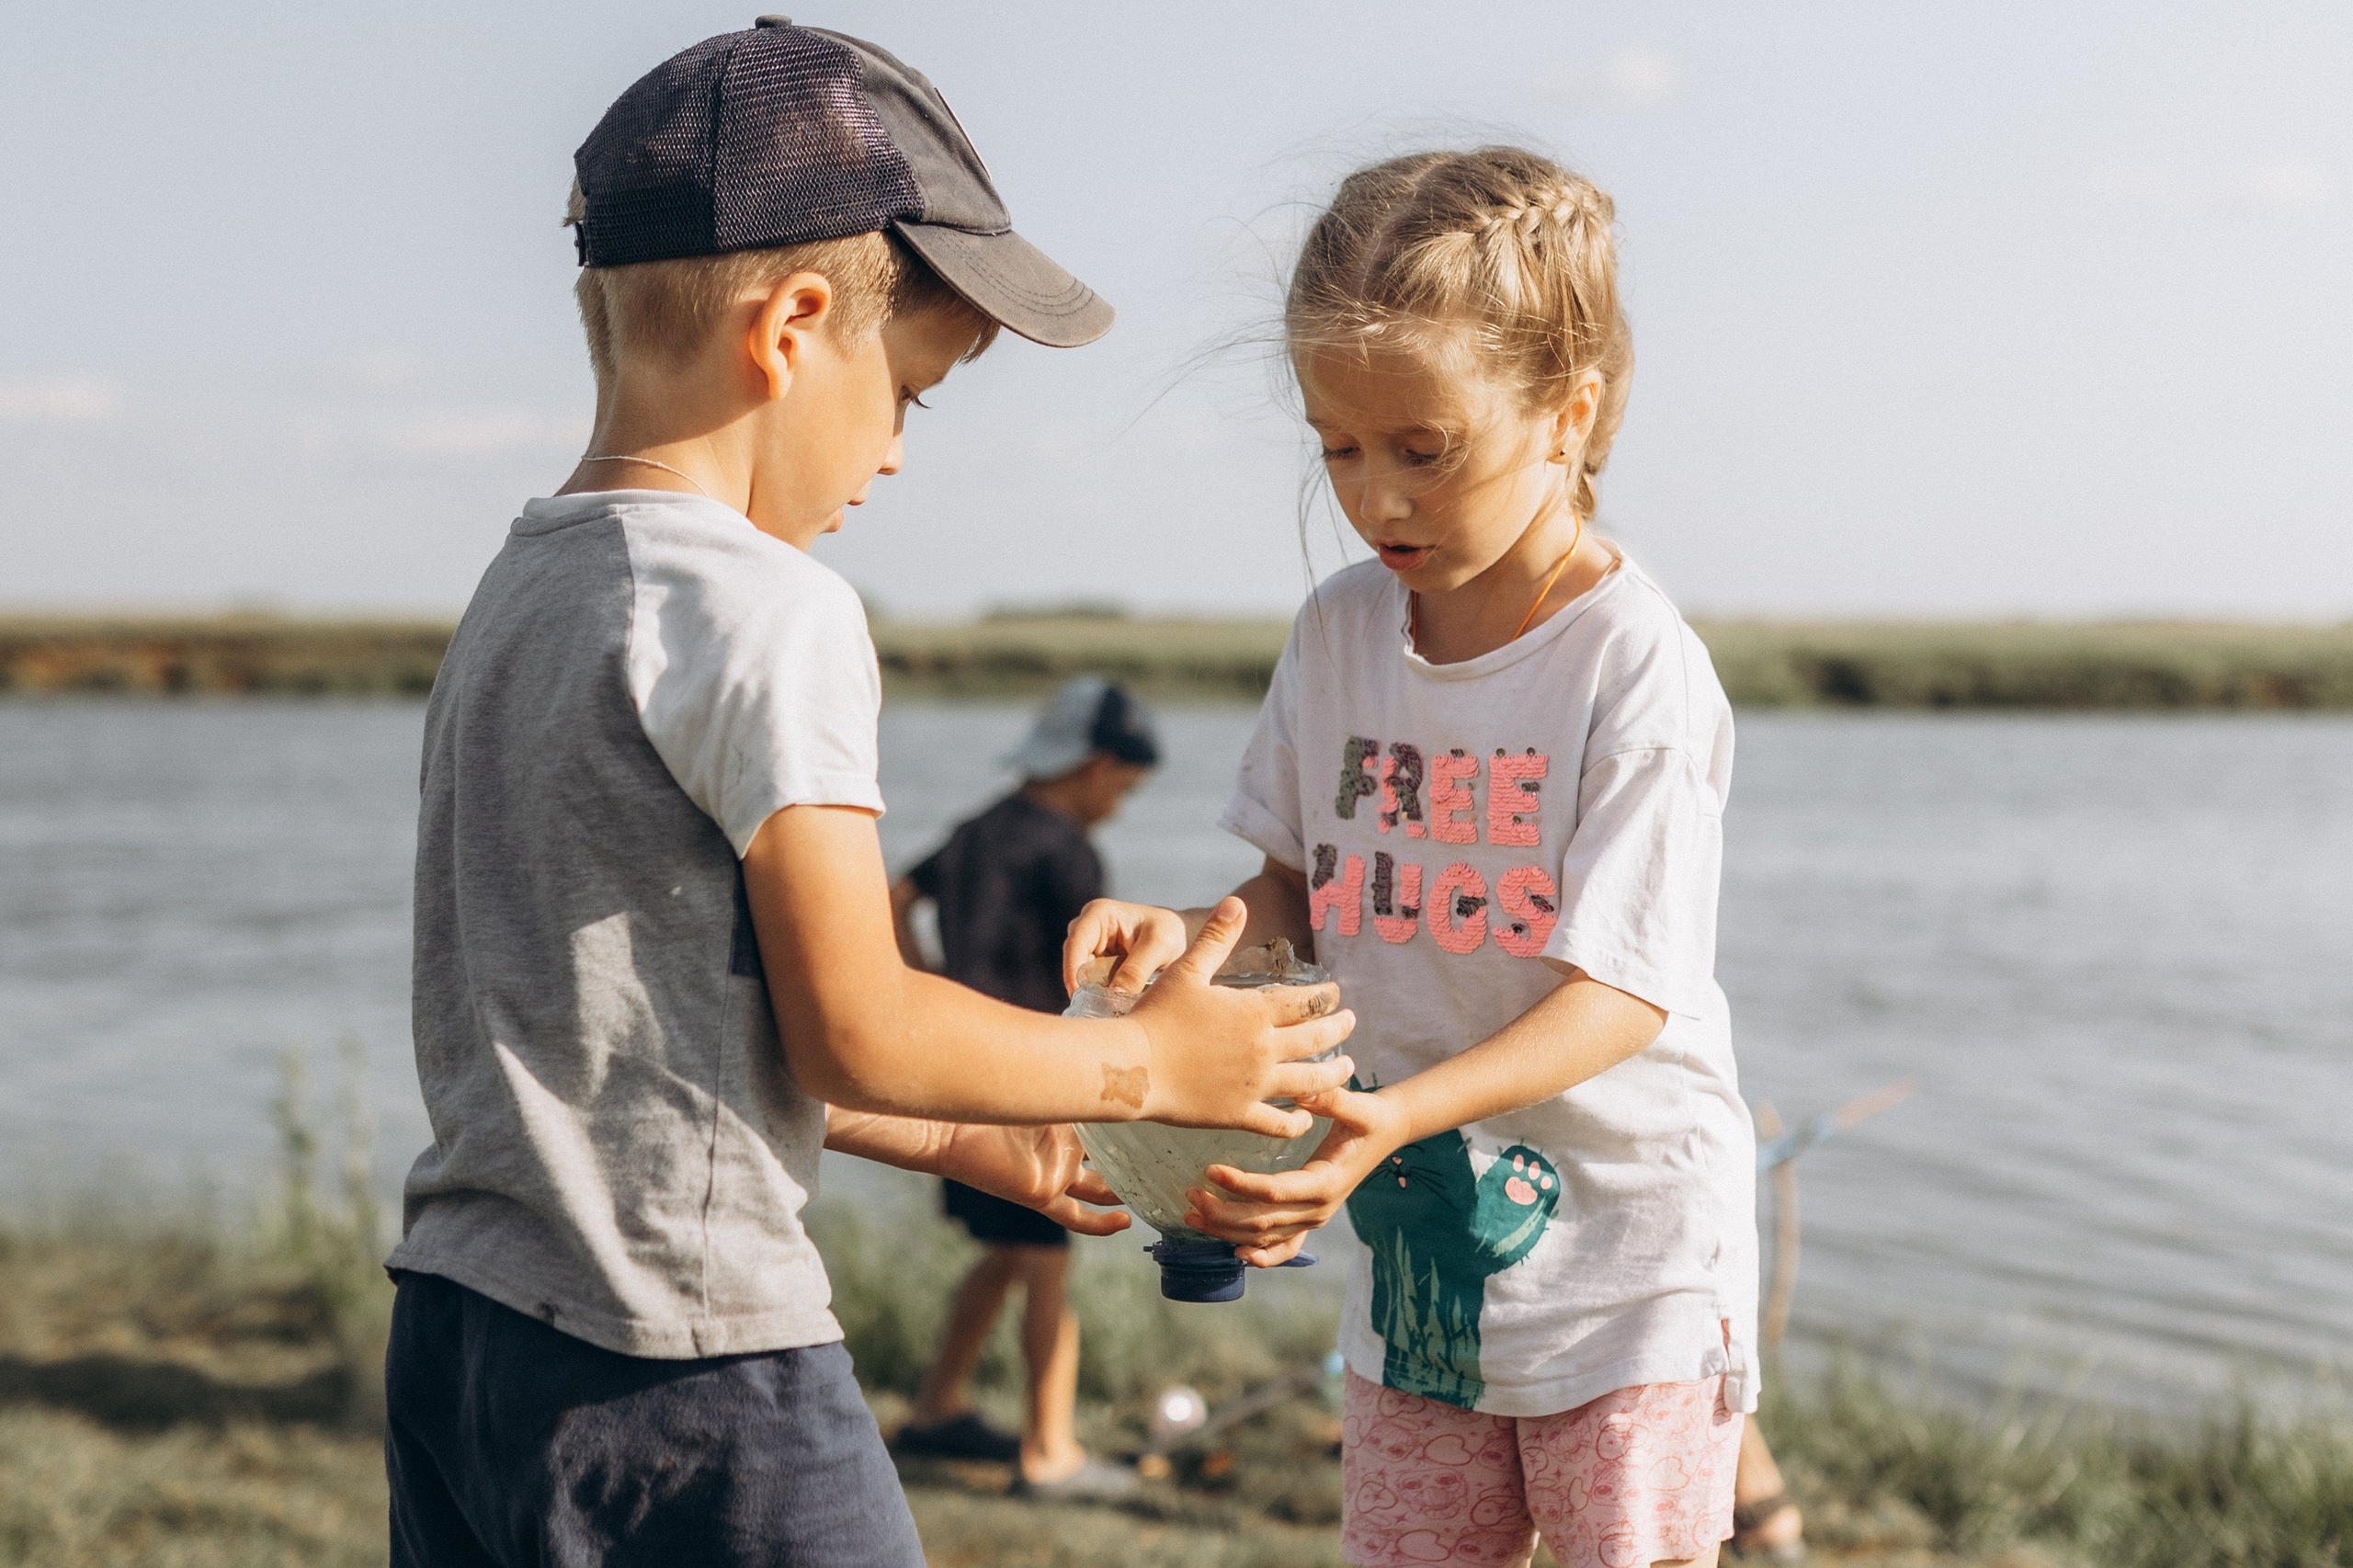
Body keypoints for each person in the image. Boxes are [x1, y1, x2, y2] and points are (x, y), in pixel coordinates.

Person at [381, 21, 1355, 1568]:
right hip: (694, 1364)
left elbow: (668, 1040)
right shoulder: (773, 609)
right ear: (793, 327)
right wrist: (1150, 1067)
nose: (898, 451)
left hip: (464, 1335)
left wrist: (977, 1140)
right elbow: (857, 1020)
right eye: (912, 388)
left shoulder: (520, 592)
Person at [1065, 148, 1756, 1568]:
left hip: (1631, 1284)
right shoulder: (1338, 634)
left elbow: (1624, 992)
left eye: (1423, 450)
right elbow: (1298, 894)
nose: (1376, 498)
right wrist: (1187, 938)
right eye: (1339, 447)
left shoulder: (1632, 666)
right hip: (1415, 1258)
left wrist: (1398, 1111)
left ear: (1569, 416)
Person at [888, 677, 1160, 1497]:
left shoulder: (978, 828)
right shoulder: (1066, 849)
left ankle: (937, 1405)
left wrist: (927, 989)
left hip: (959, 1072)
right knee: (1047, 1258)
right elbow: (1100, 975)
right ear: (1096, 763)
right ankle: (1049, 1452)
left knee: (1007, 1248)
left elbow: (895, 896)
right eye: (1124, 785)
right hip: (1029, 1082)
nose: (1119, 802)